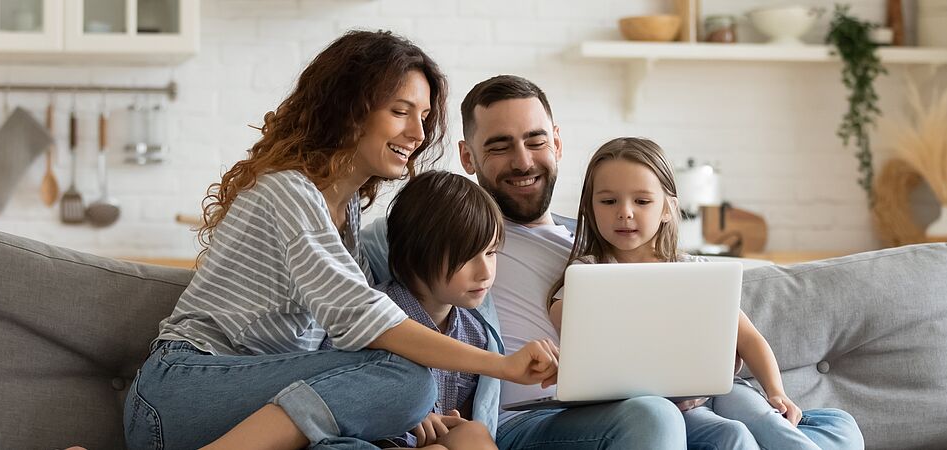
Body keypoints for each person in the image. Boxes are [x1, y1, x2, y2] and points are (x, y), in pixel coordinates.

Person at [123, 32, 558, 450]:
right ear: (350, 109)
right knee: (408, 379)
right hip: (181, 391)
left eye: (424, 117)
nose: (419, 134)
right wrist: (502, 366)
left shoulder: (347, 216)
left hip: (255, 403)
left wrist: (399, 408)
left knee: (374, 419)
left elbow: (351, 342)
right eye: (401, 111)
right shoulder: (288, 193)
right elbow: (365, 320)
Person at [453, 75, 864, 449]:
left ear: (557, 144)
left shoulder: (596, 244)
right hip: (540, 418)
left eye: (535, 140)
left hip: (651, 405)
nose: (523, 161)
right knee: (657, 412)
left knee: (828, 426)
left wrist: (703, 365)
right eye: (499, 146)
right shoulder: (459, 240)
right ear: (468, 158)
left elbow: (725, 337)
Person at [548, 136, 862, 449]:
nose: (625, 212)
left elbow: (748, 338)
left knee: (766, 419)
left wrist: (776, 391)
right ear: (589, 208)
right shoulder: (587, 273)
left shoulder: (693, 270)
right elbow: (565, 320)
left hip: (719, 391)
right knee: (732, 435)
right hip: (655, 409)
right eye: (608, 201)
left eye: (642, 202)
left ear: (668, 209)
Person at [326, 170, 505, 450]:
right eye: (467, 257)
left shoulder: (475, 333)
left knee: (473, 433)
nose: (485, 272)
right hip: (373, 441)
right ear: (417, 254)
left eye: (491, 253)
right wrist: (403, 411)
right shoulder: (372, 314)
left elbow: (467, 415)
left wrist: (454, 423)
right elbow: (331, 387)